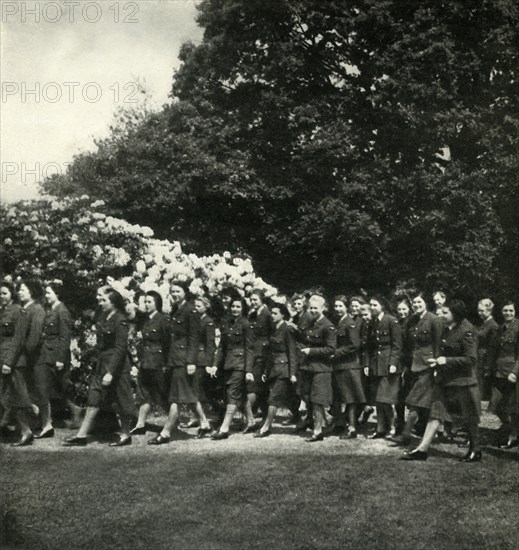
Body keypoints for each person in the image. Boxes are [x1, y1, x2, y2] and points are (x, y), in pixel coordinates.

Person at [402, 299, 481, 462]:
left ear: (456, 314)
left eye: (445, 312)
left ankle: (475, 450)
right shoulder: (445, 328)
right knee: (435, 413)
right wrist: (437, 362)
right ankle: (422, 449)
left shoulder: (467, 330)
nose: (441, 315)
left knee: (469, 417)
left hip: (463, 381)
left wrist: (446, 361)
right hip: (445, 380)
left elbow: (471, 359)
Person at [63, 287, 135, 447]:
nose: (100, 302)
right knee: (93, 399)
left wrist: (110, 372)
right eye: (99, 300)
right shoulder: (103, 316)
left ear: (114, 302)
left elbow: (121, 348)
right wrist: (89, 355)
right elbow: (101, 344)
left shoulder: (121, 319)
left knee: (121, 401)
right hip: (101, 364)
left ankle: (125, 434)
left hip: (116, 367)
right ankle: (81, 435)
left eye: (103, 300)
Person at [148, 282, 210, 444]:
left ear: (185, 292)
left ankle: (166, 432)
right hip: (175, 358)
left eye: (178, 291)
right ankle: (204, 423)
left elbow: (194, 338)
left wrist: (191, 361)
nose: (174, 294)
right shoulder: (176, 310)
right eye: (172, 291)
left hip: (184, 360)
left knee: (176, 396)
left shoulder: (190, 311)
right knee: (188, 394)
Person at [391, 292, 443, 445]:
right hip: (413, 366)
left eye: (419, 302)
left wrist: (437, 366)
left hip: (428, 366)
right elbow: (408, 345)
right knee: (420, 401)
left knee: (414, 400)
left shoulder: (434, 320)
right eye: (414, 303)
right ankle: (427, 431)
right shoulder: (412, 320)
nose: (416, 305)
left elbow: (438, 343)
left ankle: (406, 434)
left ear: (426, 303)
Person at [3, 281, 46, 446]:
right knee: (12, 396)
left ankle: (27, 430)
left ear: (32, 292)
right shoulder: (25, 310)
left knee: (17, 396)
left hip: (16, 361)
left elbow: (21, 340)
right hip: (14, 358)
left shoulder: (29, 311)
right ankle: (20, 427)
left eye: (22, 289)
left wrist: (10, 361)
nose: (19, 292)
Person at [31, 281, 73, 438]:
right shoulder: (49, 310)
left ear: (57, 294)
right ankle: (46, 423)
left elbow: (65, 337)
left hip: (56, 357)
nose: (46, 296)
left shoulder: (62, 311)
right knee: (43, 390)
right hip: (46, 355)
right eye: (46, 293)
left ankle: (49, 423)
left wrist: (61, 359)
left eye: (49, 293)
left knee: (56, 390)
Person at [211, 298, 254, 440]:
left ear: (243, 309)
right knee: (239, 394)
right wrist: (215, 365)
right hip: (227, 364)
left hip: (240, 365)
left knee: (232, 393)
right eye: (233, 306)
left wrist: (248, 370)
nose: (235, 309)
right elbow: (222, 347)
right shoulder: (227, 324)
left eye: (238, 307)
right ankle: (251, 421)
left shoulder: (246, 324)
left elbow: (249, 349)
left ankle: (224, 428)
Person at [255, 303, 298, 437]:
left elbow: (292, 352)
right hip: (274, 368)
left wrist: (292, 373)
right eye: (271, 313)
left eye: (275, 313)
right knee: (291, 397)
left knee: (273, 399)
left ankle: (266, 427)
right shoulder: (274, 328)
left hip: (284, 369)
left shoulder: (287, 329)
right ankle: (320, 419)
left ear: (283, 314)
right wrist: (266, 371)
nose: (272, 316)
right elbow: (270, 352)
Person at [130, 291, 169, 436]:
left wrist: (165, 364)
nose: (146, 305)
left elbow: (167, 343)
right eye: (145, 302)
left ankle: (172, 422)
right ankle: (140, 424)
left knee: (162, 393)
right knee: (143, 392)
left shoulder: (163, 319)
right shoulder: (145, 320)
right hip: (146, 361)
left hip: (158, 362)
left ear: (157, 303)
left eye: (149, 302)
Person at [298, 295, 336, 442]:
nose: (313, 311)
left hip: (322, 367)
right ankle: (325, 423)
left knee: (318, 399)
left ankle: (318, 430)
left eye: (316, 308)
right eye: (311, 308)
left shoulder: (328, 326)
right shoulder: (311, 323)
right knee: (309, 398)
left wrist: (311, 351)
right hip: (309, 367)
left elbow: (331, 349)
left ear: (323, 308)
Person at [363, 295, 402, 439]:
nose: (372, 308)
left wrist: (393, 363)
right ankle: (380, 428)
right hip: (375, 365)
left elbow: (397, 345)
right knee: (379, 400)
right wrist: (366, 364)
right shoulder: (371, 322)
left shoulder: (391, 321)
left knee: (386, 399)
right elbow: (369, 346)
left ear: (382, 306)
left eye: (375, 305)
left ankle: (392, 426)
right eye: (371, 305)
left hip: (388, 365)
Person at [332, 295, 365, 439]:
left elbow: (354, 345)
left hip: (349, 365)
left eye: (341, 306)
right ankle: (340, 424)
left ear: (346, 307)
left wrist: (336, 353)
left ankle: (352, 428)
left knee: (350, 398)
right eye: (336, 306)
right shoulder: (340, 322)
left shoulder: (349, 323)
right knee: (339, 397)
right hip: (340, 365)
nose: (338, 309)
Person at [489, 300, 519, 449]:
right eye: (505, 310)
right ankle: (509, 429)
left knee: (512, 407)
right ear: (501, 312)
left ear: (515, 312)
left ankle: (513, 436)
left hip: (512, 373)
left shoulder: (517, 327)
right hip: (499, 372)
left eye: (511, 311)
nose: (508, 313)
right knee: (497, 405)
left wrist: (515, 372)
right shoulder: (501, 329)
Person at [245, 289, 273, 432]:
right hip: (254, 354)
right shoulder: (253, 314)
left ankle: (252, 419)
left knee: (255, 387)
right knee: (260, 389)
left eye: (256, 299)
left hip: (264, 355)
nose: (253, 302)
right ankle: (262, 419)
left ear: (262, 300)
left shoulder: (268, 315)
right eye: (251, 300)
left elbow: (272, 334)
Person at [0, 281, 24, 438]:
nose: (1, 296)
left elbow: (18, 339)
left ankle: (8, 424)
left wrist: (9, 362)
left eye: (4, 293)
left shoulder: (17, 311)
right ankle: (6, 424)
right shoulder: (1, 311)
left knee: (10, 392)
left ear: (12, 294)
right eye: (0, 294)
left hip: (9, 358)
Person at [192, 295, 217, 438]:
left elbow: (210, 344)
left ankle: (204, 422)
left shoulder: (208, 322)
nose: (196, 309)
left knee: (196, 392)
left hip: (201, 361)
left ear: (206, 307)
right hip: (192, 359)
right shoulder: (195, 320)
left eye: (199, 306)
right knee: (196, 392)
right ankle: (203, 420)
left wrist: (209, 363)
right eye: (194, 306)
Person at [394, 298, 412, 435]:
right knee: (399, 396)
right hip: (399, 361)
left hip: (410, 362)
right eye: (399, 309)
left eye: (404, 309)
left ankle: (417, 424)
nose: (402, 312)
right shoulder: (396, 323)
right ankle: (400, 423)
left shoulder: (412, 323)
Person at [476, 299, 498, 402]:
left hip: (485, 360)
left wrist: (488, 366)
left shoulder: (493, 326)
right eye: (479, 310)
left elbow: (492, 348)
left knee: (482, 385)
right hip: (479, 358)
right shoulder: (483, 324)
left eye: (482, 311)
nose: (479, 313)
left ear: (489, 311)